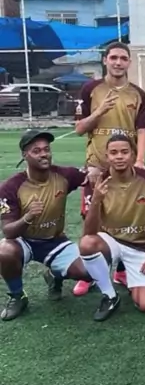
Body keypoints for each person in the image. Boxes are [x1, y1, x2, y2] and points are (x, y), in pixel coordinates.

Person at [73, 41, 145, 296]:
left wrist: (140, 160)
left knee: (126, 215)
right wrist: (99, 112)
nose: (118, 62)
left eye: (123, 58)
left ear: (129, 62)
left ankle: (121, 271)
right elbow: (79, 128)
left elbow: (142, 130)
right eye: (114, 57)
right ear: (105, 60)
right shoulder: (90, 89)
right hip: (97, 167)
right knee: (91, 218)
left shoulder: (137, 93)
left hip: (126, 167)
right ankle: (90, 274)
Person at [0, 129, 92, 321]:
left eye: (46, 149)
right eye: (36, 151)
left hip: (55, 240)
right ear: (25, 155)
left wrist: (95, 173)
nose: (44, 154)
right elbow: (8, 232)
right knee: (4, 251)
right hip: (24, 240)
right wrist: (28, 217)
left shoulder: (65, 175)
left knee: (88, 271)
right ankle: (18, 296)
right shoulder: (10, 187)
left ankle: (53, 273)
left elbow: (89, 176)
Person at [79, 134, 145, 322]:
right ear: (107, 156)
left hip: (140, 246)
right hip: (110, 242)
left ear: (133, 155)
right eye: (114, 152)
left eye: (124, 152)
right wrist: (96, 200)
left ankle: (133, 280)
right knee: (87, 244)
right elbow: (88, 233)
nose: (119, 157)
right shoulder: (97, 181)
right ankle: (110, 295)